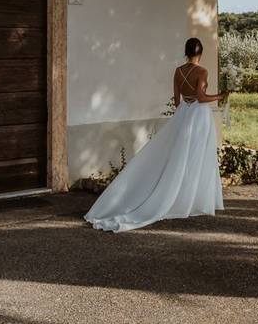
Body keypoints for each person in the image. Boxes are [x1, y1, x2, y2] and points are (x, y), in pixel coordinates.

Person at [84, 38, 228, 232]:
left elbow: (177, 101)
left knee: (180, 156)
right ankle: (190, 199)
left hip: (184, 114)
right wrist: (221, 96)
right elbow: (201, 97)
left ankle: (181, 196)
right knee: (197, 156)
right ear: (200, 53)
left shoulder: (178, 71)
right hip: (199, 116)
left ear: (186, 52)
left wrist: (187, 108)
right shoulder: (202, 72)